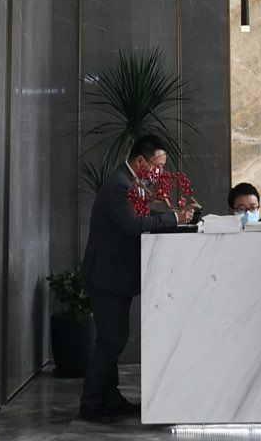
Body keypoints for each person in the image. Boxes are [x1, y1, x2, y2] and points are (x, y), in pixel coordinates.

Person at [79, 136, 194, 423]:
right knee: (111, 340)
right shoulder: (119, 185)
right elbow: (134, 224)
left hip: (114, 275)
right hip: (106, 276)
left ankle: (109, 398)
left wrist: (174, 217)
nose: (160, 172)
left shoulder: (129, 182)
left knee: (112, 339)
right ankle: (91, 404)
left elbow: (141, 214)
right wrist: (175, 220)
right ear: (141, 162)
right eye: (158, 166)